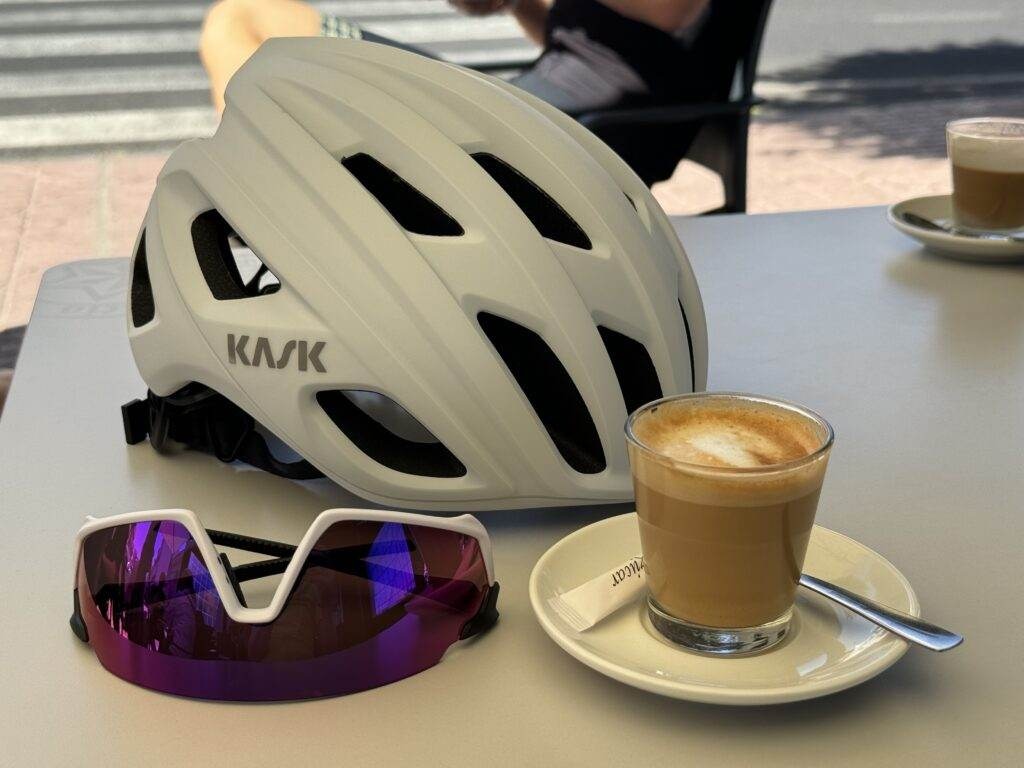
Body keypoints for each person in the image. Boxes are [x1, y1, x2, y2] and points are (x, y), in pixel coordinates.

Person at [199, 0, 712, 116]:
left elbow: (669, 11)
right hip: (506, 106)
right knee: (246, 16)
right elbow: (583, 44)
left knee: (242, 18)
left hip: (519, 128)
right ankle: (252, 180)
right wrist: (515, 3)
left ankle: (256, 191)